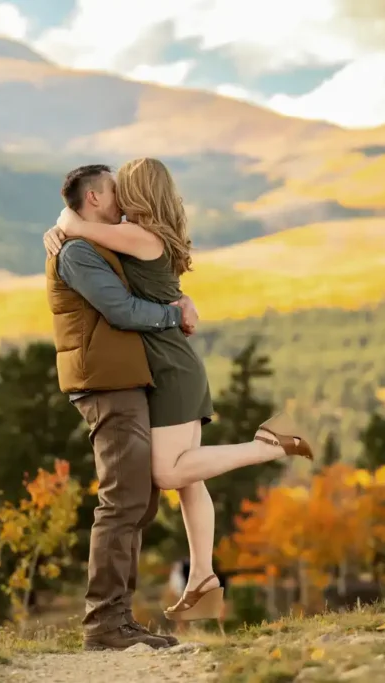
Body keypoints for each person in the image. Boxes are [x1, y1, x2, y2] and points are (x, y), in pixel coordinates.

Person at [44, 157, 314, 623]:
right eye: (114, 190)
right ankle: (203, 576)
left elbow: (76, 225)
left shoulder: (136, 236)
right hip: (175, 360)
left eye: (125, 188)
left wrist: (63, 223)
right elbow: (84, 235)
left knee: (169, 474)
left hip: (167, 365)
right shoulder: (153, 235)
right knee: (190, 478)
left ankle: (267, 446)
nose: (121, 199)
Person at [44, 164, 200, 651]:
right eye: (115, 192)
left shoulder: (89, 239)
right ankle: (105, 624)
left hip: (123, 379)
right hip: (105, 384)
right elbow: (123, 311)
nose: (124, 200)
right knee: (121, 501)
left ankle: (118, 620)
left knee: (139, 499)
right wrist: (175, 315)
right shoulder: (78, 254)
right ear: (94, 199)